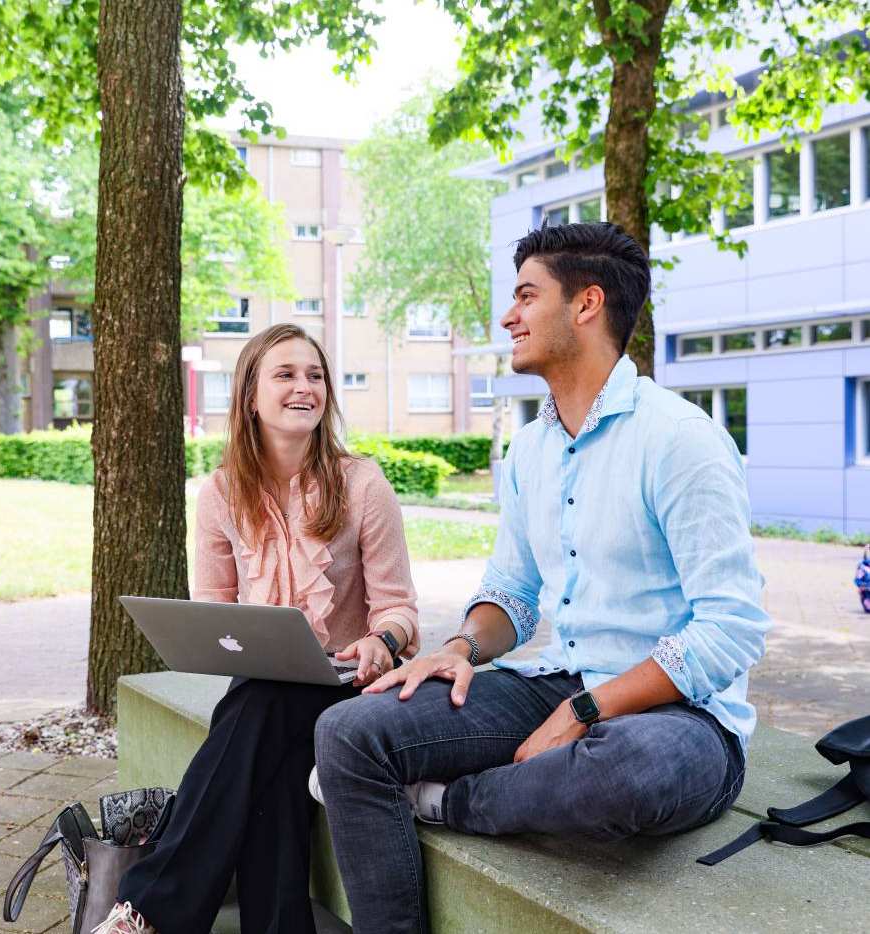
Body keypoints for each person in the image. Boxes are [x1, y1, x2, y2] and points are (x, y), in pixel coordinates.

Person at [312, 222, 772, 934]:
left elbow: (730, 629)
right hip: (559, 680)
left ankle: (444, 802)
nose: (507, 316)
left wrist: (588, 711)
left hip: (685, 720)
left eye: (526, 296)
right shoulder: (528, 448)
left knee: (625, 768)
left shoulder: (679, 440)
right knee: (349, 730)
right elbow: (514, 594)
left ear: (586, 305)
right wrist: (460, 648)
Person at [94, 324, 419, 934]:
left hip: (353, 686)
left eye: (315, 375)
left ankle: (147, 909)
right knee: (270, 747)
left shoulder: (363, 484)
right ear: (249, 394)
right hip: (269, 689)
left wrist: (382, 641)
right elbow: (212, 610)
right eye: (286, 374)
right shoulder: (219, 494)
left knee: (258, 709)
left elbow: (400, 610)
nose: (305, 387)